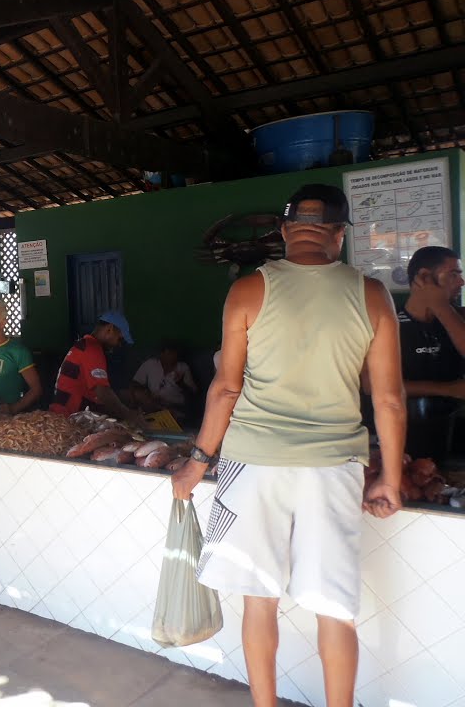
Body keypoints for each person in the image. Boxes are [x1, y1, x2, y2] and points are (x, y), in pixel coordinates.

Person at [171, 184, 405, 707]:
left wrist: (196, 464)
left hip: (252, 464)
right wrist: (391, 476)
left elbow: (226, 388)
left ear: (282, 233)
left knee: (259, 601)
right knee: (334, 609)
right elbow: (389, 399)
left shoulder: (248, 290)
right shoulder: (371, 293)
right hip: (334, 465)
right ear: (339, 237)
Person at [395, 246, 465, 460]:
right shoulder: (391, 323)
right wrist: (447, 389)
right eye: (453, 274)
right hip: (407, 437)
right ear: (424, 276)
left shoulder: (457, 318)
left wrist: (441, 307)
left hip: (456, 434)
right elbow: (373, 386)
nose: (461, 282)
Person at [50, 311, 143, 423]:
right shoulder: (92, 349)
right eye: (119, 339)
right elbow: (102, 392)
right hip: (68, 419)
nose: (119, 345)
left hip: (64, 416)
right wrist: (129, 415)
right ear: (109, 329)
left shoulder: (85, 344)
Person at [131, 341, 197, 414]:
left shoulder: (183, 367)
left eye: (173, 353)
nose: (171, 356)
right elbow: (135, 383)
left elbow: (193, 393)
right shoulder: (150, 364)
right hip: (152, 402)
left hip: (173, 407)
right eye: (168, 353)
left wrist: (181, 383)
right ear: (161, 354)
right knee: (130, 394)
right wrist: (146, 393)